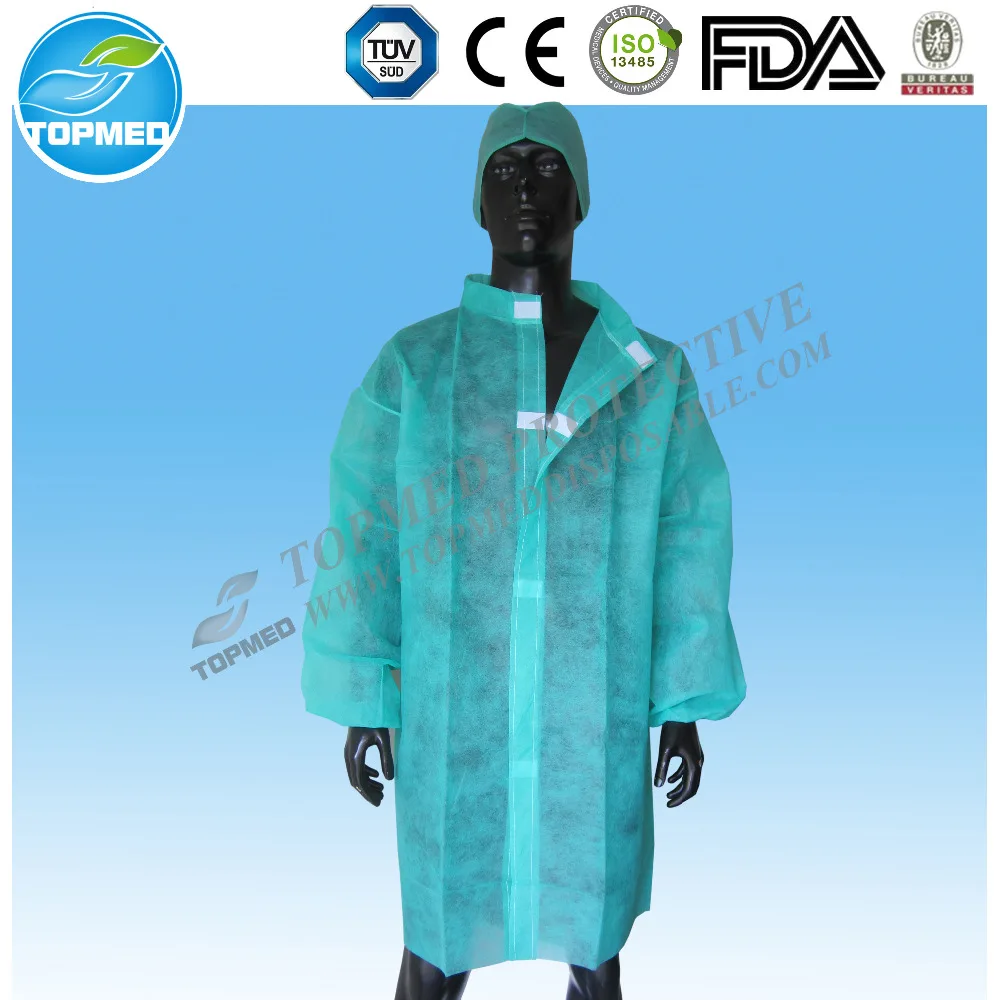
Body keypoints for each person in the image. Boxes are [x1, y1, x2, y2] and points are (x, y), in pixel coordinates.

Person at [301, 102, 746, 1000]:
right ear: (477, 202)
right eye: (504, 171)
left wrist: (683, 704)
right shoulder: (419, 366)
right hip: (451, 717)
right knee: (436, 943)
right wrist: (364, 692)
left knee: (594, 945)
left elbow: (687, 539)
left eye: (548, 169)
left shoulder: (648, 374)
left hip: (595, 719)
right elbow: (366, 529)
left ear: (583, 195)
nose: (527, 190)